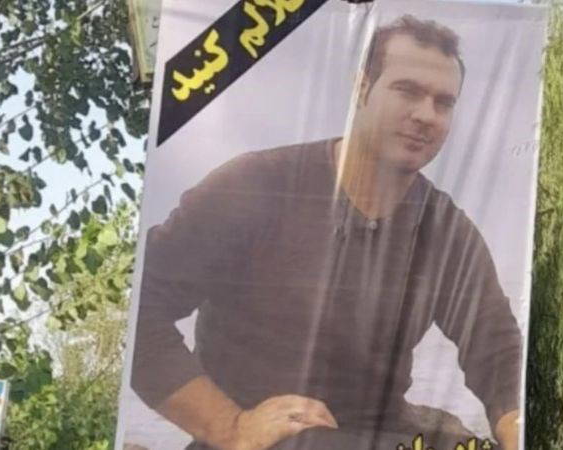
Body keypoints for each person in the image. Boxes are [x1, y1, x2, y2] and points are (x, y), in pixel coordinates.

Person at [132, 15, 522, 450]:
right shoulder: (256, 185)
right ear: (361, 88)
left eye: (443, 103)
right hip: (269, 437)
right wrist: (230, 426)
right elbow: (143, 308)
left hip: (382, 433)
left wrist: (515, 427)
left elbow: (496, 348)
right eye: (407, 91)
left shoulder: (447, 232)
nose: (425, 115)